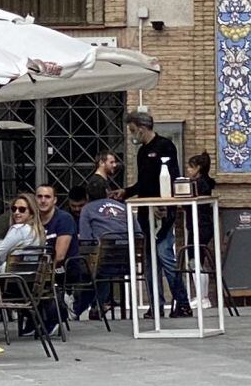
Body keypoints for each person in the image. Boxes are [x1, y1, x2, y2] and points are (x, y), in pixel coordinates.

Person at [116, 112, 191, 318]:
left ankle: (182, 302)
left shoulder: (165, 146)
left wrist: (165, 203)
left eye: (133, 130)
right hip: (145, 210)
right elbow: (144, 182)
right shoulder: (142, 153)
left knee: (165, 255)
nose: (132, 135)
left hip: (162, 210)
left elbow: (172, 176)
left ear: (142, 128)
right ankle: (156, 304)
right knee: (150, 261)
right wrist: (127, 191)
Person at [77, 196, 142, 318]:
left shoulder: (88, 209)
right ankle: (98, 305)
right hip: (127, 262)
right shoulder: (124, 208)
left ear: (87, 196)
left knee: (86, 268)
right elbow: (138, 233)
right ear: (107, 192)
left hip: (104, 261)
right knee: (101, 268)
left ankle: (78, 308)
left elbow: (86, 240)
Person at [34, 184, 79, 334]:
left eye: (47, 197)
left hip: (64, 268)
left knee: (38, 280)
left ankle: (55, 315)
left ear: (54, 200)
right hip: (37, 267)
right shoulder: (32, 219)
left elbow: (59, 255)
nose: (43, 200)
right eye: (39, 197)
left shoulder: (64, 219)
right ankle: (33, 319)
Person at [185, 152, 217, 309]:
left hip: (199, 226)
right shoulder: (205, 183)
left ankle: (202, 296)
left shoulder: (198, 184)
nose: (188, 170)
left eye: (190, 167)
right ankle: (202, 296)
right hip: (202, 225)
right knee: (198, 261)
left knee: (194, 261)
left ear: (198, 168)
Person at [0, 194, 45, 268]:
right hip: (32, 274)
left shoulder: (19, 229)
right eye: (14, 209)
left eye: (22, 209)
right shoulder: (39, 231)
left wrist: (0, 262)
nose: (17, 212)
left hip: (12, 273)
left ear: (31, 212)